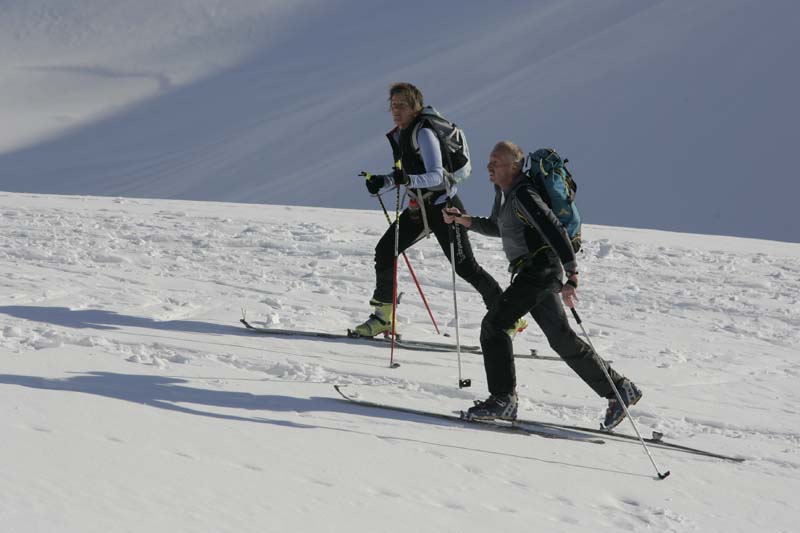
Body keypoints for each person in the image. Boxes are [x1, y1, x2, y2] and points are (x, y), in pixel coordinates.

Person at [443, 140, 642, 430]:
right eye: (490, 161)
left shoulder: (524, 194)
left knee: (494, 325)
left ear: (514, 166)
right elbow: (500, 227)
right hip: (535, 273)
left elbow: (554, 229)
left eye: (495, 161)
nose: (489, 166)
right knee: (561, 338)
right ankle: (620, 389)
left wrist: (572, 274)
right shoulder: (506, 194)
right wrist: (464, 220)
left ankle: (502, 399)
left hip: (539, 270)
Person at [354, 83, 524, 338]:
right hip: (420, 209)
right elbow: (407, 174)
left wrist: (404, 180)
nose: (396, 111)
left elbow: (437, 176)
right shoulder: (403, 133)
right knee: (385, 250)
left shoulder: (423, 133)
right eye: (393, 105)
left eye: (402, 105)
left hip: (445, 208)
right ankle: (383, 317)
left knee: (466, 267)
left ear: (415, 107)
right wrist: (384, 181)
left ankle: (509, 317)